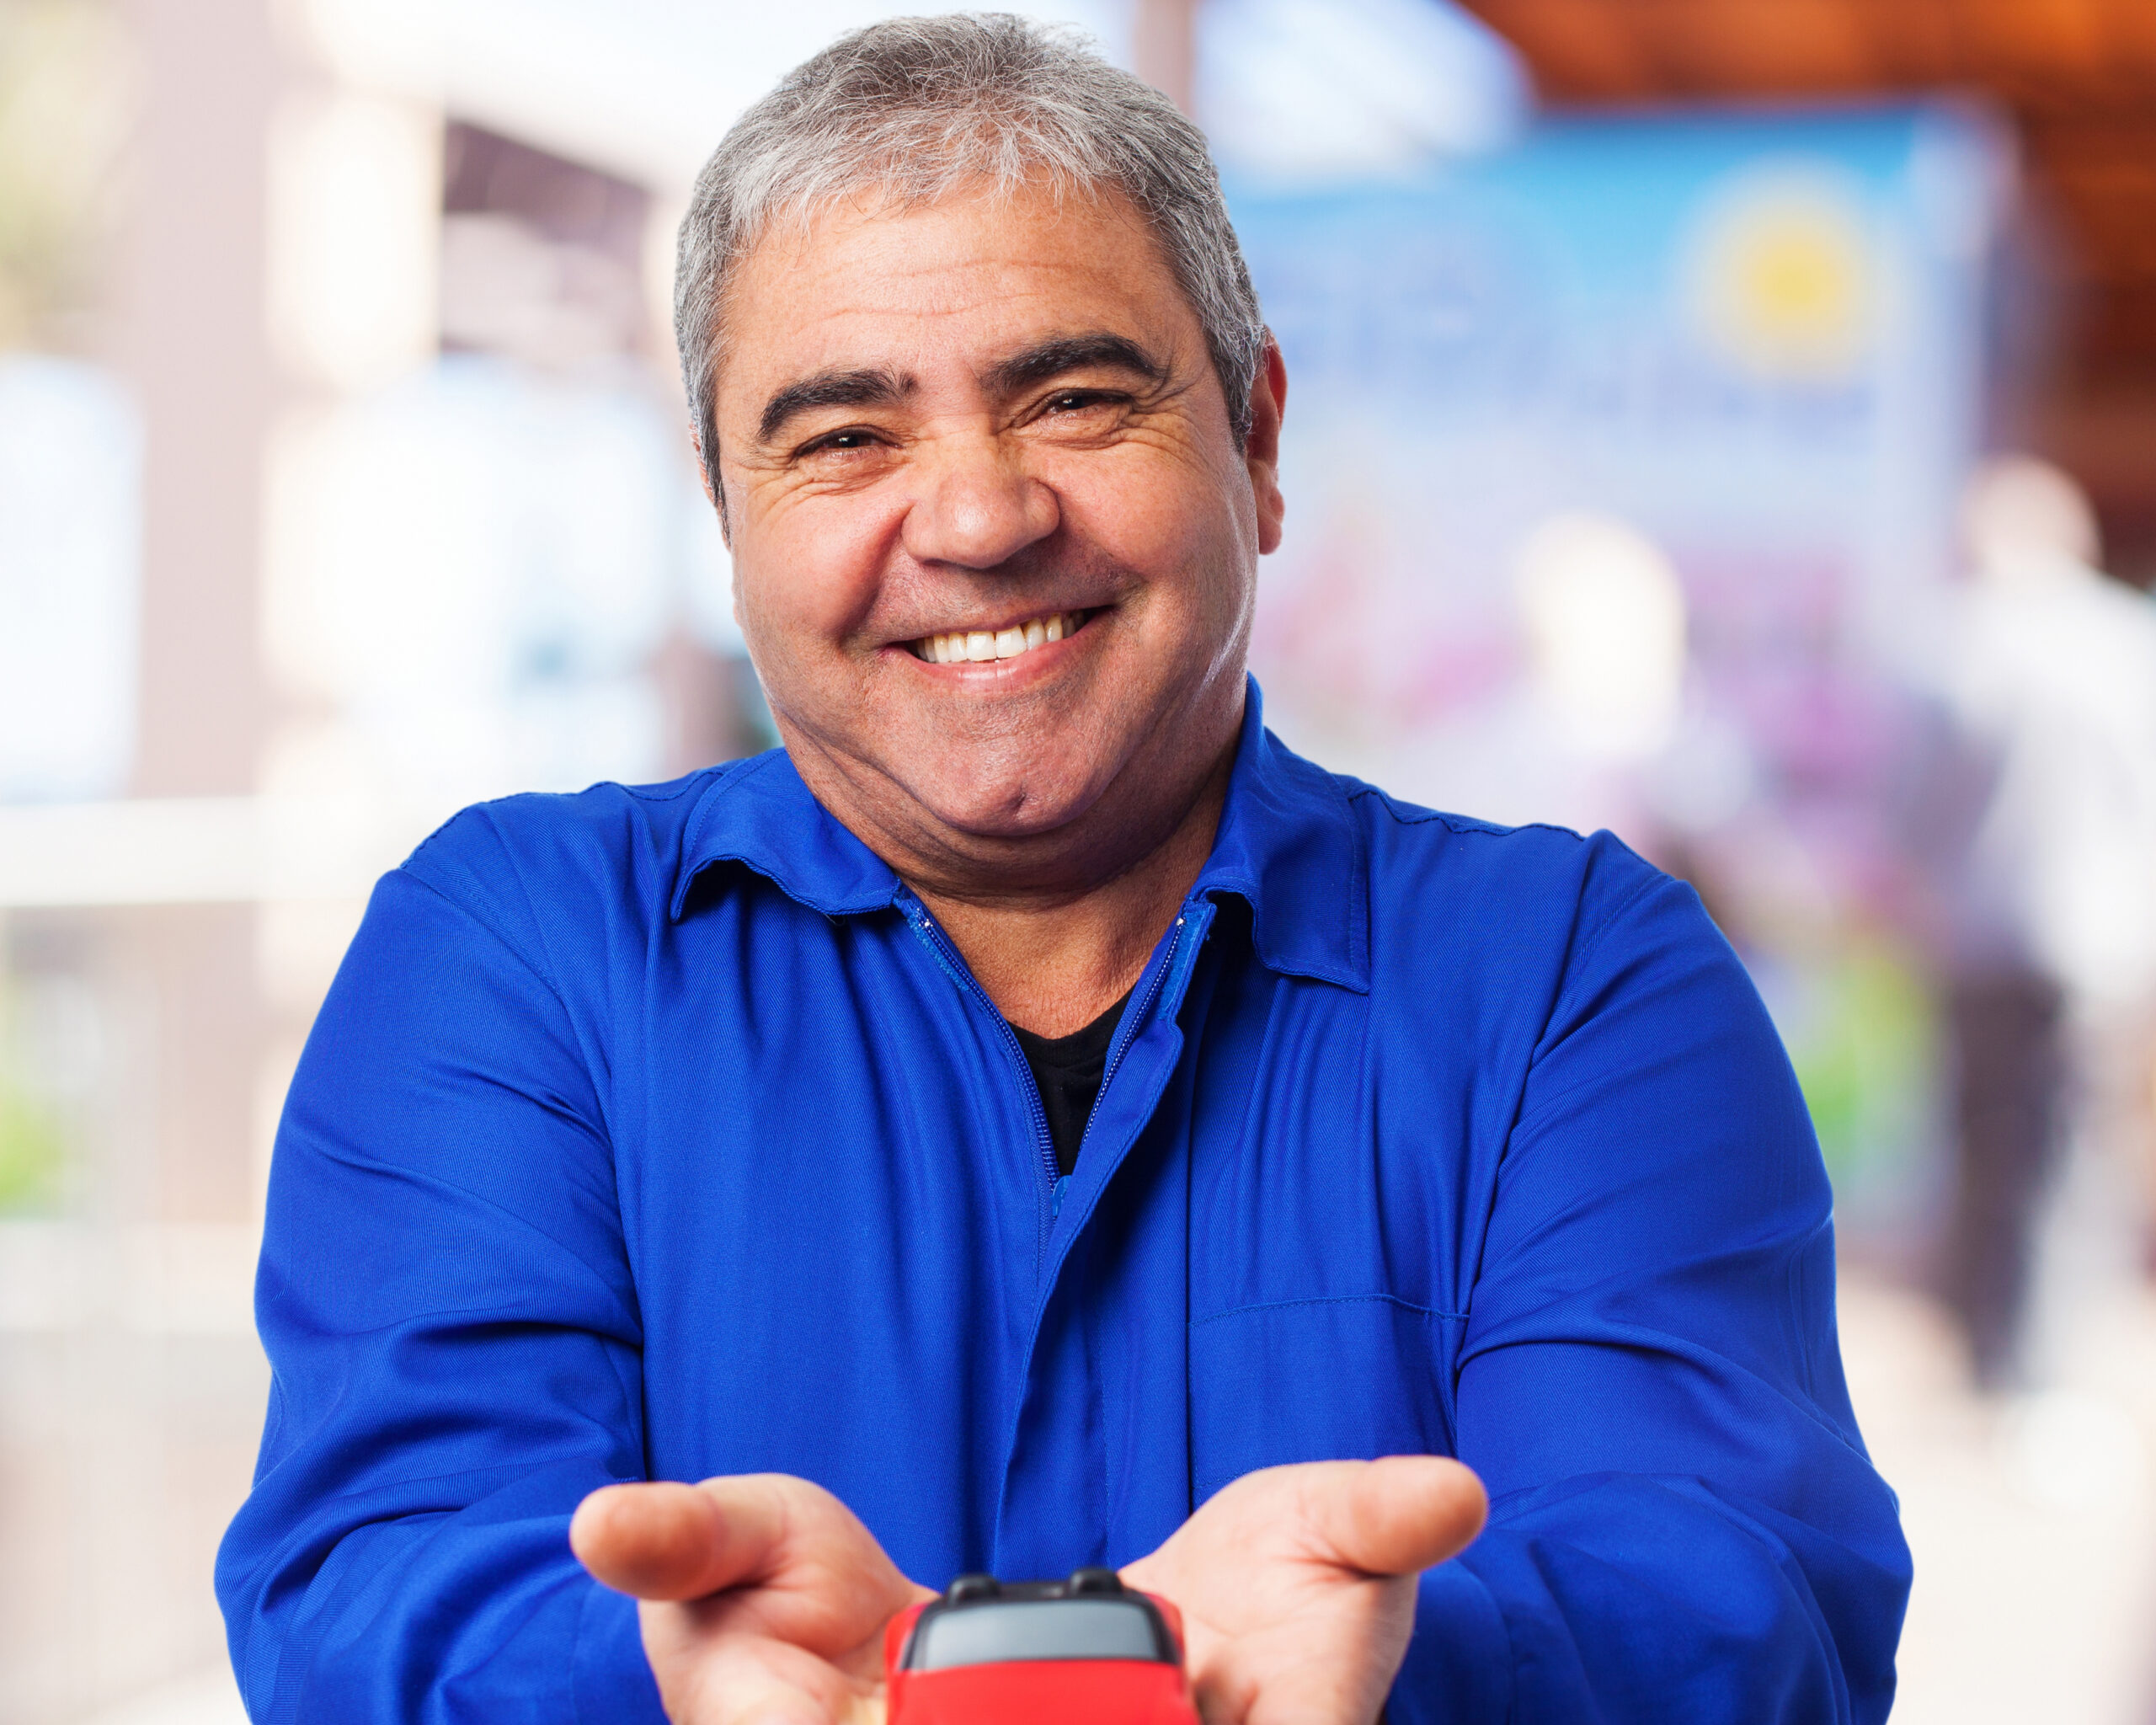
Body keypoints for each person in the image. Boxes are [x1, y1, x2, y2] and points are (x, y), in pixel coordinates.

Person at [215, 16, 1910, 1722]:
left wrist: (1399, 1665)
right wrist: (657, 1677)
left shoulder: (1573, 983)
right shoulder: (516, 959)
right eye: (843, 436)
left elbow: (1739, 1598)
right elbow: (372, 1584)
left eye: (1075, 399)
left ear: (1255, 441)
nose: (977, 518)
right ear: (727, 512)